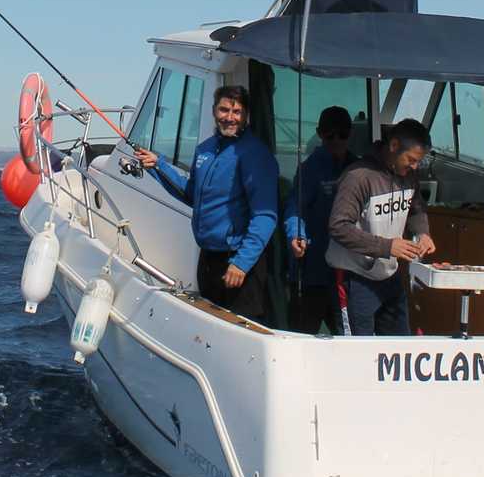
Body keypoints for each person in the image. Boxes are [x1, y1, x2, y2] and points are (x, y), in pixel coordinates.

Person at [135, 84, 278, 323]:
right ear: (214, 111)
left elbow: (265, 216)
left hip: (239, 263)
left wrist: (241, 264)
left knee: (239, 331)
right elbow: (193, 194)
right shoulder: (205, 149)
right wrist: (158, 165)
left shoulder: (255, 154)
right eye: (224, 110)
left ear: (246, 115)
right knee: (210, 325)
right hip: (209, 259)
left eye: (237, 112)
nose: (230, 117)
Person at [326, 118, 436, 336]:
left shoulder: (409, 176)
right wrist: (387, 247)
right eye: (411, 160)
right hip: (354, 278)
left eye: (419, 162)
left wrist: (423, 233)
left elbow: (416, 208)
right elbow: (338, 226)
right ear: (394, 146)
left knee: (400, 345)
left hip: (389, 276)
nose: (414, 167)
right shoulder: (358, 177)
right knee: (358, 350)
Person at [285, 106, 354, 334]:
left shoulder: (358, 167)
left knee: (347, 338)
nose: (336, 140)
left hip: (347, 275)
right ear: (319, 133)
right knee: (301, 336)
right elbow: (295, 207)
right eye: (329, 134)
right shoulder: (309, 169)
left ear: (351, 134)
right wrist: (296, 234)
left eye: (342, 134)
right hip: (312, 273)